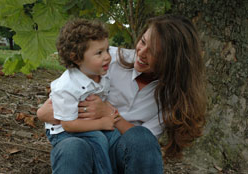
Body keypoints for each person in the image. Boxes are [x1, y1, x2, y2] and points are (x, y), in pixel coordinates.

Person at [37, 14, 206, 174]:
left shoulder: (172, 98)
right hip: (85, 143)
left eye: (154, 52)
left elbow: (145, 144)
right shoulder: (106, 58)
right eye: (143, 41)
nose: (141, 52)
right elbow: (47, 111)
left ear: (173, 60)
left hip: (125, 154)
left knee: (141, 137)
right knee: (72, 148)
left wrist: (110, 114)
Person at [44, 18, 121, 174]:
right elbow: (68, 125)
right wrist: (101, 123)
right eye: (99, 53)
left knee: (115, 137)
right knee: (98, 139)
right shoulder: (67, 87)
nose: (107, 56)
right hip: (64, 130)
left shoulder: (101, 74)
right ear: (77, 58)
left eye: (107, 50)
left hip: (86, 122)